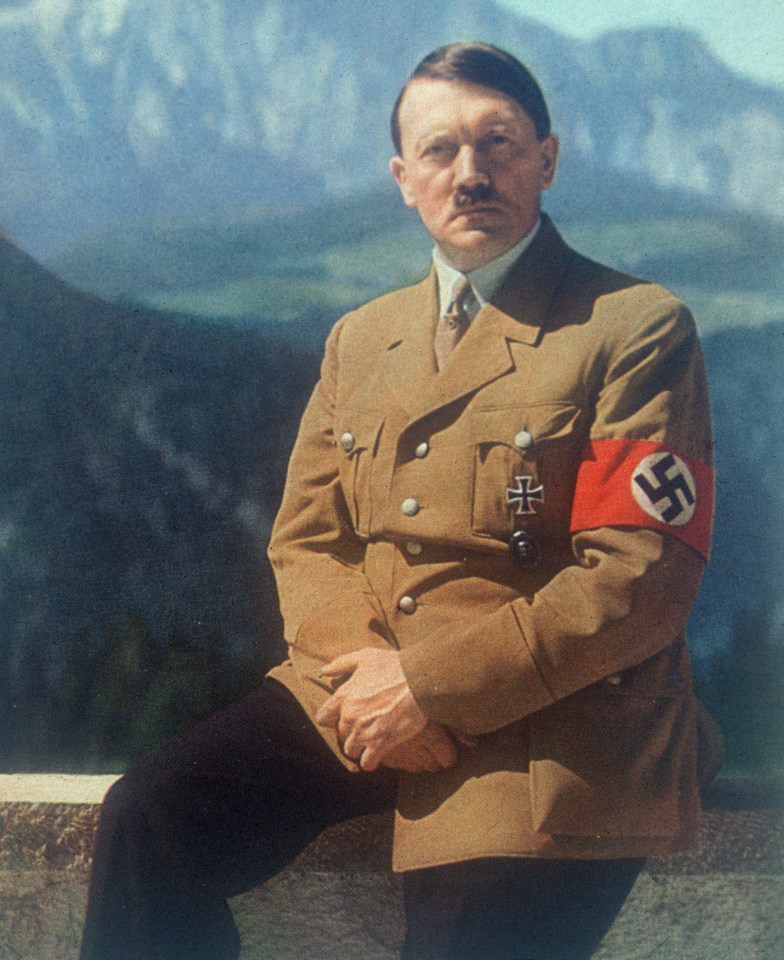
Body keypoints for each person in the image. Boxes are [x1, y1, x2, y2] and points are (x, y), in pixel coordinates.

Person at [79, 41, 715, 960]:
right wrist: (368, 682)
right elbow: (307, 542)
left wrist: (431, 689)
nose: (470, 173)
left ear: (549, 158)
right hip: (364, 688)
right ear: (401, 179)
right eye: (439, 151)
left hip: (550, 714)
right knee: (151, 821)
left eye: (498, 143)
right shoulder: (361, 338)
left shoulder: (632, 325)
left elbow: (639, 575)